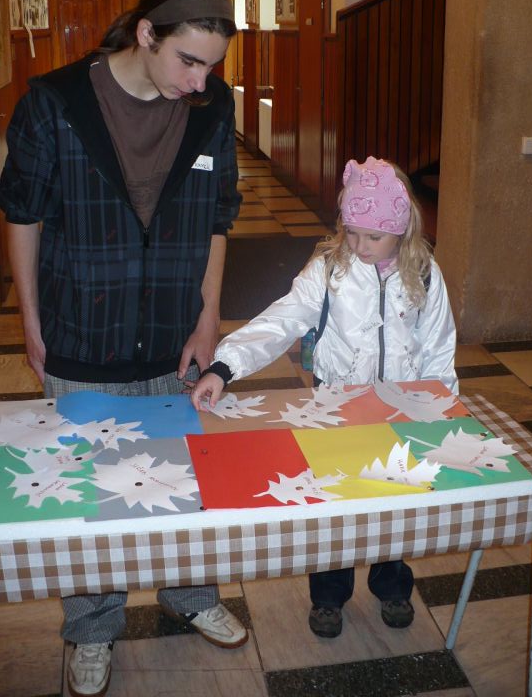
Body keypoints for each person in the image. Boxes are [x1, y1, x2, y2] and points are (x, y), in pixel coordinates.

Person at [0, 0, 246, 697]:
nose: (199, 82)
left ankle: (190, 593)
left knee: (183, 475)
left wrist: (208, 314)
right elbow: (22, 215)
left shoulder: (211, 106)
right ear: (146, 34)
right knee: (91, 492)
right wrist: (31, 321)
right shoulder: (55, 103)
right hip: (82, 325)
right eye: (188, 61)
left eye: (211, 67)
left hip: (173, 327)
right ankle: (93, 627)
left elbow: (218, 216)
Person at [191, 156, 457, 640]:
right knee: (335, 504)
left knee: (393, 502)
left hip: (400, 412)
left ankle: (392, 584)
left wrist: (443, 411)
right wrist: (225, 366)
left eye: (373, 237)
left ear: (401, 230)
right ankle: (329, 596)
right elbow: (282, 319)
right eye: (351, 232)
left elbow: (439, 348)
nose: (360, 246)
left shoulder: (424, 274)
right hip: (336, 409)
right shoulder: (330, 270)